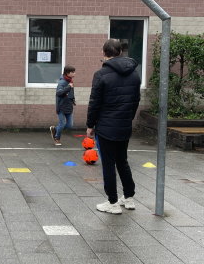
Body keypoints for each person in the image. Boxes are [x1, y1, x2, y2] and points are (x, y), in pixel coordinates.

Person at [86, 39, 141, 214]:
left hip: (106, 127)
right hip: (124, 125)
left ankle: (112, 202)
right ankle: (129, 197)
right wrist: (128, 119)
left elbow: (94, 103)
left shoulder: (101, 74)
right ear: (119, 52)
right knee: (122, 161)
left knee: (108, 164)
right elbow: (135, 101)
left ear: (103, 53)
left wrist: (90, 125)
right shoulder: (134, 74)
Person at [50, 65, 76, 146]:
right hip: (61, 106)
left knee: (69, 124)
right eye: (73, 72)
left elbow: (71, 93)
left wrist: (73, 100)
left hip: (69, 105)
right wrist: (68, 87)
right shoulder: (62, 82)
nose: (74, 74)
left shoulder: (70, 81)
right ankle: (57, 138)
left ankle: (55, 129)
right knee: (61, 123)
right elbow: (59, 93)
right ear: (68, 73)